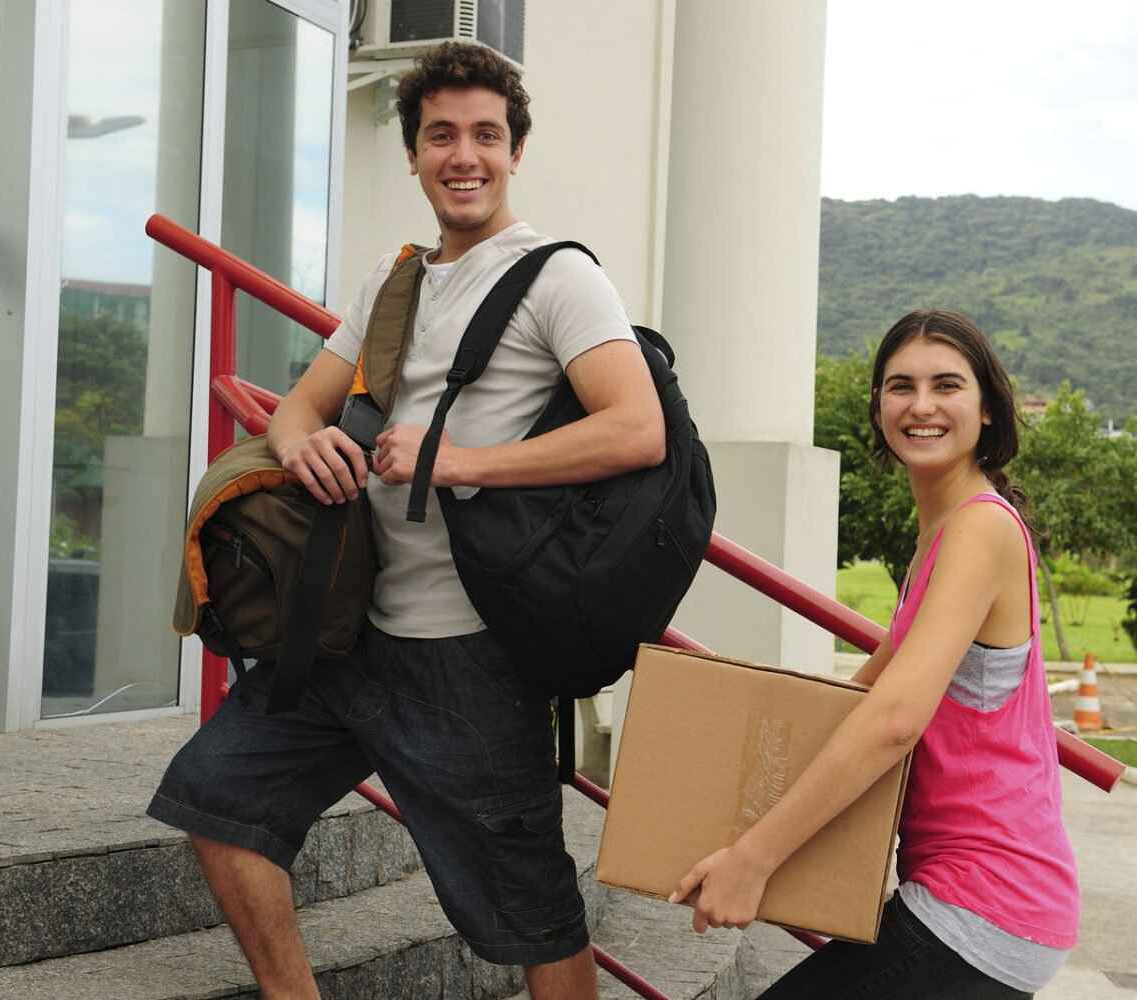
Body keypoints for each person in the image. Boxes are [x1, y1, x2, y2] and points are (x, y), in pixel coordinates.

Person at [146, 41, 664, 1000]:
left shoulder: (559, 278)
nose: (463, 155)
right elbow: (302, 404)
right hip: (343, 637)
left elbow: (636, 429)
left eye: (485, 136)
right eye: (441, 136)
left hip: (467, 656)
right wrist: (302, 441)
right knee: (216, 804)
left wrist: (458, 460)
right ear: (415, 154)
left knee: (536, 922)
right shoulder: (397, 280)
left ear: (514, 153)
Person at [670, 310, 1079, 998]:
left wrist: (754, 856)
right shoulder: (943, 533)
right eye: (900, 386)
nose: (920, 406)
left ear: (987, 411)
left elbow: (893, 719)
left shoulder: (980, 529)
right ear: (879, 408)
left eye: (946, 385)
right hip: (970, 897)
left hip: (985, 902)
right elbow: (857, 697)